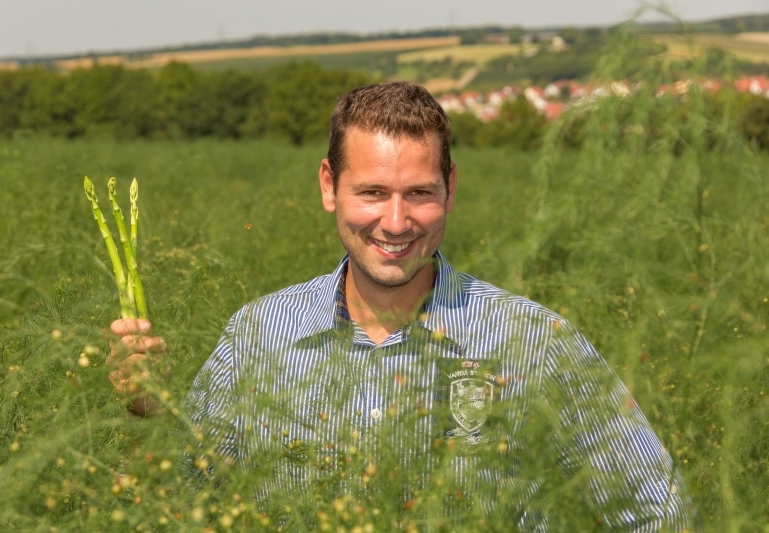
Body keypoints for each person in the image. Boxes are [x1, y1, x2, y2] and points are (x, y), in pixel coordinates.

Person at [108, 82, 697, 530]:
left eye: (419, 193)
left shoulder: (534, 342)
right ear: (327, 186)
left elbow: (660, 510)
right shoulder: (257, 336)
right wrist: (144, 408)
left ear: (450, 188)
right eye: (371, 192)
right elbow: (183, 502)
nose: (395, 222)